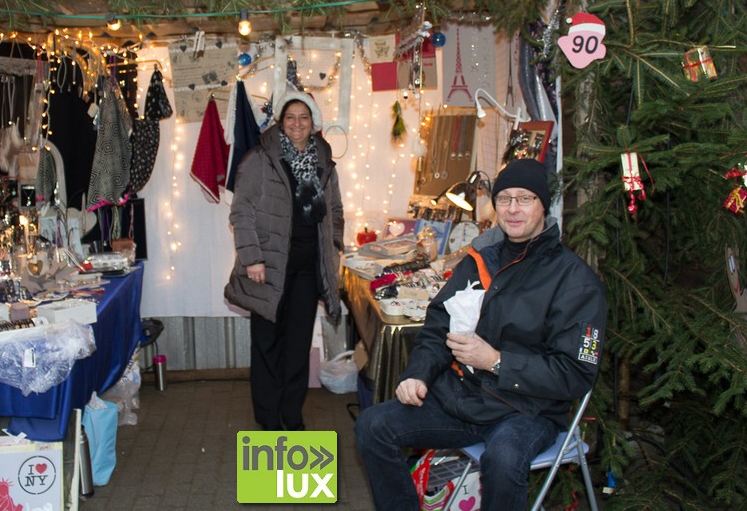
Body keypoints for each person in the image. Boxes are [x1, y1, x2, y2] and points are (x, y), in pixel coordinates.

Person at [355, 158, 607, 509]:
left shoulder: (575, 281)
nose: (513, 209)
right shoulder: (480, 260)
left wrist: (498, 362)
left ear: (543, 205)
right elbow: (437, 325)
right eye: (504, 199)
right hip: (465, 399)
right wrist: (417, 374)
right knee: (373, 425)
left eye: (525, 199)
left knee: (503, 460)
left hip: (527, 411)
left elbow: (577, 374)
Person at [225, 90, 344, 431]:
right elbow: (241, 212)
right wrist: (252, 259)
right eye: (290, 118)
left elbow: (334, 210)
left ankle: (292, 416)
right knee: (267, 348)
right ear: (281, 122)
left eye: (303, 118)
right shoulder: (259, 159)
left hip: (308, 270)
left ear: (313, 123)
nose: (297, 124)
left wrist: (334, 244)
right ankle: (268, 421)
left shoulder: (324, 158)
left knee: (297, 348)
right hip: (268, 271)